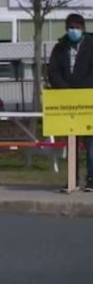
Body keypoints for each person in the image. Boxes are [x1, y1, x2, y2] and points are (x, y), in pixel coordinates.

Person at [47, 13, 93, 191]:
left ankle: (91, 179)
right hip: (66, 103)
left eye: (76, 27)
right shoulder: (60, 47)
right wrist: (64, 89)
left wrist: (80, 90)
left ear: (83, 28)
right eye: (70, 28)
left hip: (87, 101)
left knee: (90, 143)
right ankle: (72, 178)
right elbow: (53, 71)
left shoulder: (91, 45)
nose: (73, 31)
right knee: (71, 142)